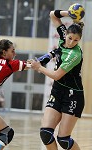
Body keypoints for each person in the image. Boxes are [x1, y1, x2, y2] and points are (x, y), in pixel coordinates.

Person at [30, 9, 85, 150]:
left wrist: (38, 67)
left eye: (76, 40)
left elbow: (56, 75)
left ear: (79, 40)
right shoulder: (62, 35)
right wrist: (69, 13)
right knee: (45, 133)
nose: (72, 42)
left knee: (63, 140)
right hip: (57, 91)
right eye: (70, 38)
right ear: (65, 34)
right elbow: (52, 14)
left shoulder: (75, 54)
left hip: (73, 95)